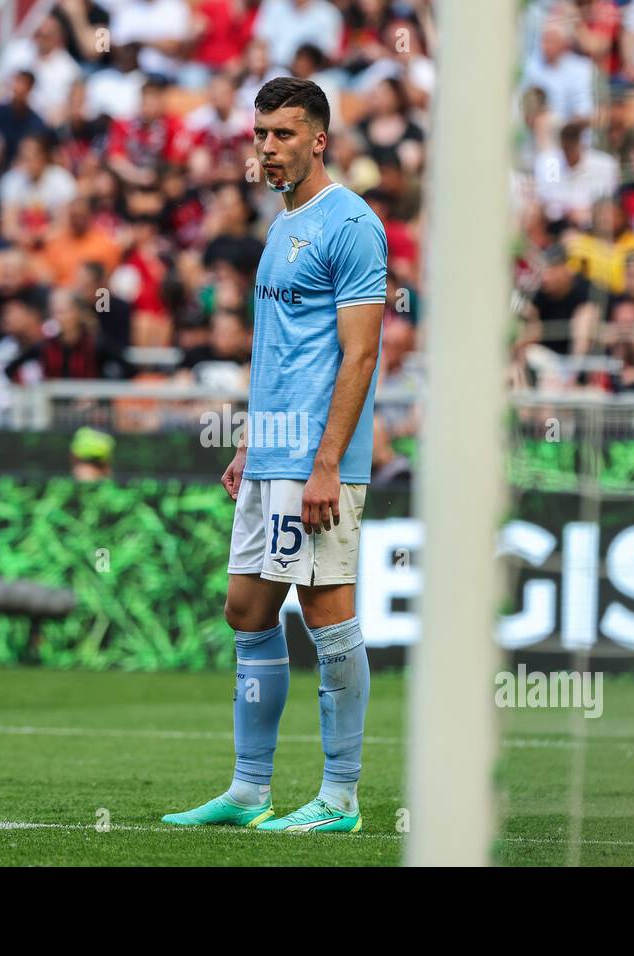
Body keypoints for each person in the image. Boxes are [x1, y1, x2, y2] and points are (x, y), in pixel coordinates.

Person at [161, 77, 385, 834]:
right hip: (273, 453)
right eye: (260, 135)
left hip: (319, 460)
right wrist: (252, 440)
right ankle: (249, 789)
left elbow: (358, 357)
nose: (267, 148)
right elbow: (281, 351)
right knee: (247, 610)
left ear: (319, 139)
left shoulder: (351, 223)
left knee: (327, 615)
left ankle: (339, 799)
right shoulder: (278, 223)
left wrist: (326, 464)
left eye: (284, 134)